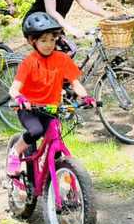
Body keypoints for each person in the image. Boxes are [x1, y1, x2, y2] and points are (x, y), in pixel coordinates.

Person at [6, 12, 96, 176]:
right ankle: (15, 152)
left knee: (56, 145)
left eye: (52, 40)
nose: (49, 44)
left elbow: (75, 83)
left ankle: (53, 178)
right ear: (33, 41)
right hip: (29, 108)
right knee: (36, 131)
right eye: (43, 40)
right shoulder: (29, 62)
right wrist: (20, 98)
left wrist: (86, 97)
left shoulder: (62, 59)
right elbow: (13, 89)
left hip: (50, 108)